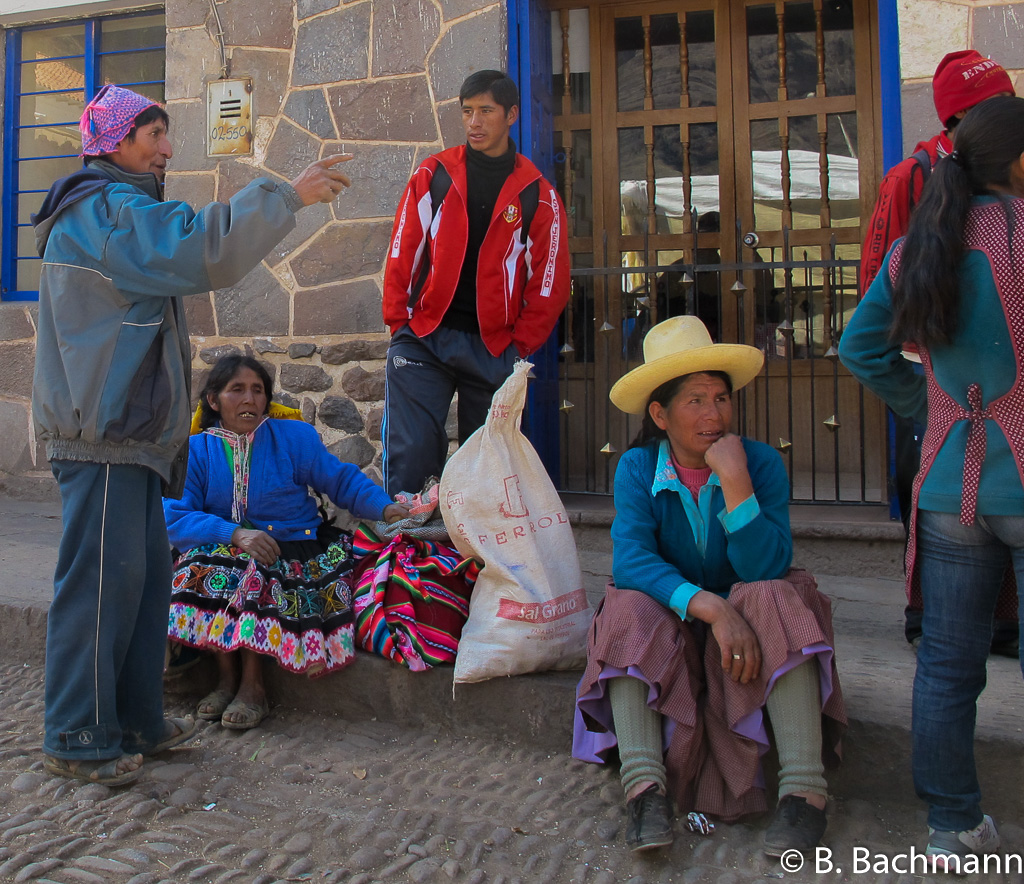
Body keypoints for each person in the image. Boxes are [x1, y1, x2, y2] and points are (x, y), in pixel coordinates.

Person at [32, 84, 354, 786]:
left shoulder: (111, 210)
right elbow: (203, 246)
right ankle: (76, 734)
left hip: (132, 437)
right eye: (153, 136)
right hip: (106, 435)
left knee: (142, 585)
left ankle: (137, 719)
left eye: (167, 135)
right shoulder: (107, 212)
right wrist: (287, 195)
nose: (168, 149)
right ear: (114, 143)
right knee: (98, 589)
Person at [573, 316, 846, 857]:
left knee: (770, 593)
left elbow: (766, 563)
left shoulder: (760, 463)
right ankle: (644, 792)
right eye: (695, 401)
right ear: (660, 413)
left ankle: (804, 793)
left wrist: (736, 480)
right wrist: (713, 610)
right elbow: (631, 561)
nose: (714, 414)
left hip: (755, 636)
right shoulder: (635, 468)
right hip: (677, 631)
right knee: (627, 605)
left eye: (721, 398)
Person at [840, 95, 1024, 871]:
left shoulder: (922, 244)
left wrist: (934, 407)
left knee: (948, 663)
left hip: (951, 484)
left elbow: (859, 346)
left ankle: (952, 829)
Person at [860, 50, 1018, 652]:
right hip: (932, 370)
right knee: (926, 480)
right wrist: (921, 397)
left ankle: (1002, 621)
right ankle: (926, 612)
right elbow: (881, 277)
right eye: (988, 109)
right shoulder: (913, 177)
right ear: (957, 123)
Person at [164, 356, 408, 729]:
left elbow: (340, 480)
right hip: (229, 546)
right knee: (202, 568)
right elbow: (175, 515)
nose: (250, 399)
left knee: (255, 574)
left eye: (257, 390)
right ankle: (225, 677)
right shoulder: (197, 450)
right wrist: (234, 534)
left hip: (295, 547)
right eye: (237, 390)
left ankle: (253, 686)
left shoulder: (293, 438)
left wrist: (386, 508)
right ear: (214, 401)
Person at [381, 69, 570, 498]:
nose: (474, 123)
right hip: (424, 339)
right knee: (412, 457)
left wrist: (519, 345)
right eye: (467, 112)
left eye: (486, 111)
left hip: (494, 348)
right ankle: (409, 555)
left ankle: (477, 561)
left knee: (488, 467)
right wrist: (399, 323)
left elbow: (551, 280)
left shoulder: (538, 195)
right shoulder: (434, 174)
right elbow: (402, 248)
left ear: (512, 115)